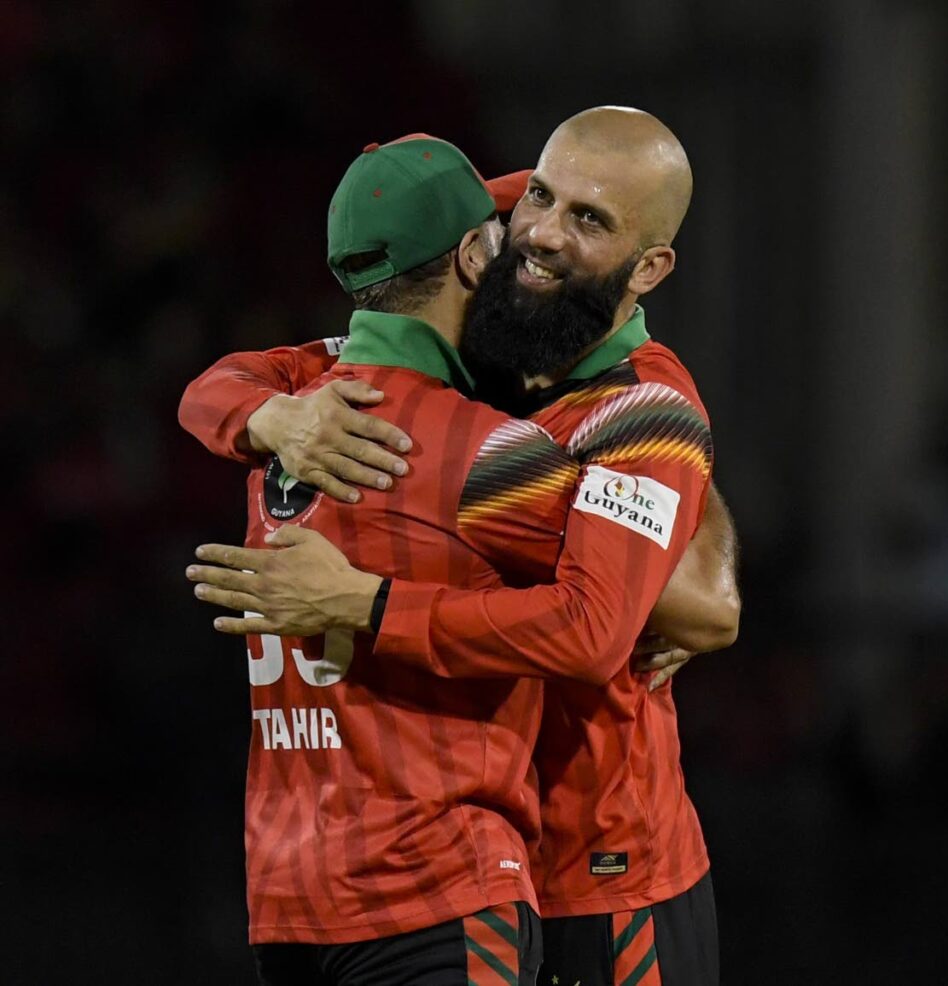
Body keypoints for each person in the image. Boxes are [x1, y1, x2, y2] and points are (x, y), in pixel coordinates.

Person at [185, 108, 739, 986]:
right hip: (482, 868)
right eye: (540, 201)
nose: (547, 236)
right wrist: (265, 416)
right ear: (483, 241)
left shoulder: (643, 409)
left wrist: (366, 604)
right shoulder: (477, 358)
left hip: (604, 874)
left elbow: (678, 608)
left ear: (651, 266)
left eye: (589, 220)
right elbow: (220, 382)